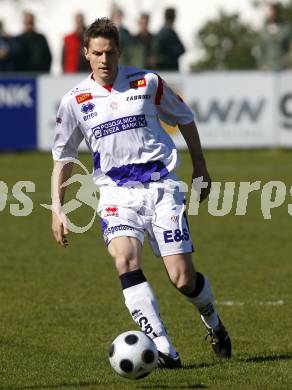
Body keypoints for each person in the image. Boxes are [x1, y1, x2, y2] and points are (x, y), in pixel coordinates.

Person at [51, 18, 231, 368]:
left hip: (162, 188)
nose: (105, 60)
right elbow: (64, 157)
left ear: (120, 52)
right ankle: (164, 348)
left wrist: (201, 167)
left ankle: (213, 321)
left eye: (111, 53)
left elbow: (184, 117)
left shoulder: (147, 82)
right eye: (97, 53)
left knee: (182, 279)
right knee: (125, 261)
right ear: (86, 54)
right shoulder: (74, 100)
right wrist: (57, 209)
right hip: (116, 194)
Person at [256, 2, 292, 71]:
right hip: (267, 69)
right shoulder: (263, 31)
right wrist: (262, 64)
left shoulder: (287, 29)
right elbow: (260, 49)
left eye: (273, 10)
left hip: (283, 69)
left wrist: (286, 63)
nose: (272, 13)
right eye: (270, 11)